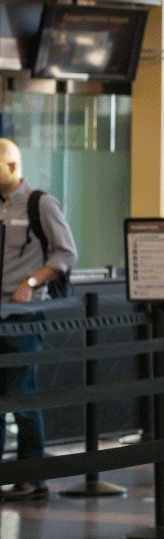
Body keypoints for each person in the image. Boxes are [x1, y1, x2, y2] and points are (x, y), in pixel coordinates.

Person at [0, 139, 77, 501]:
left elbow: (66, 252)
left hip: (24, 318)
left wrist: (30, 283)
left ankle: (33, 477)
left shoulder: (40, 204)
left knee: (21, 394)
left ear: (13, 168)